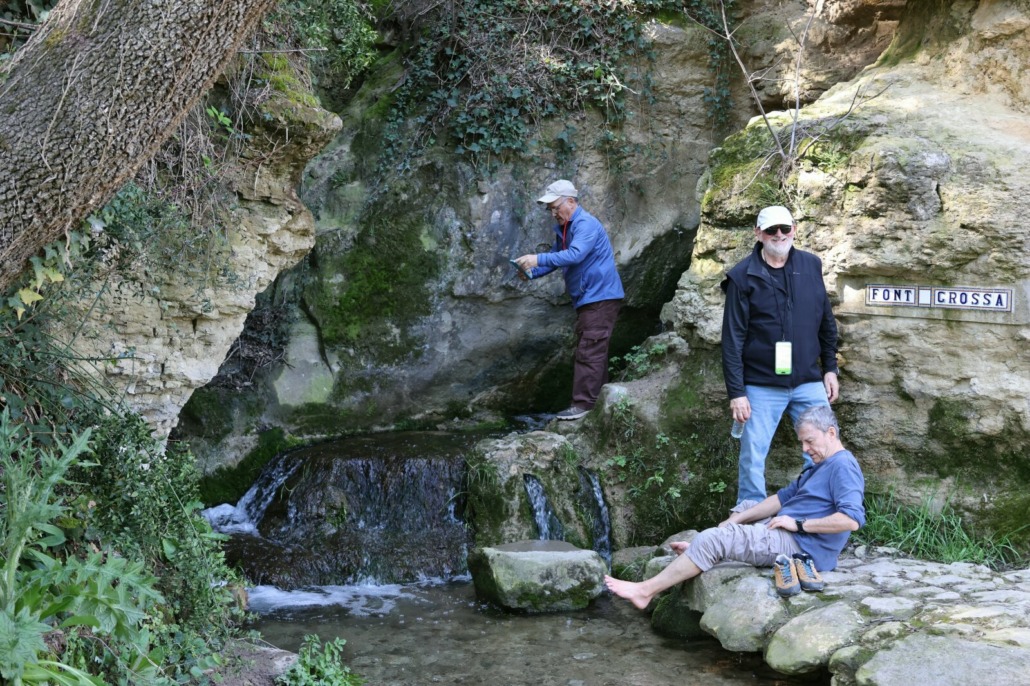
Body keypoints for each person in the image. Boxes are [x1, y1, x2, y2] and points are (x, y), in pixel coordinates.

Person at [605, 405, 864, 608]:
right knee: (747, 506)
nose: (805, 449)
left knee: (713, 540)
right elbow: (780, 499)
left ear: (831, 433)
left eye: (809, 441)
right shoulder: (820, 466)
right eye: (802, 443)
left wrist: (798, 524)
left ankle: (645, 591)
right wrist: (735, 520)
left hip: (801, 546)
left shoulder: (843, 466)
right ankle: (704, 548)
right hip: (787, 530)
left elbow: (851, 520)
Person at [722, 205, 840, 504]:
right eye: (771, 230)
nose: (779, 235)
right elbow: (732, 339)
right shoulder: (742, 276)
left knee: (824, 445)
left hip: (808, 380)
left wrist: (830, 367)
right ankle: (750, 514)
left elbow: (826, 320)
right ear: (758, 233)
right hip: (761, 384)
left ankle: (815, 507)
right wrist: (737, 392)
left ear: (794, 230)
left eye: (785, 228)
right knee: (753, 453)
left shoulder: (811, 265)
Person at [514, 180, 624, 421]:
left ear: (571, 202)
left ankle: (583, 405)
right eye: (550, 209)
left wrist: (536, 259)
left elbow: (575, 255)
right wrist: (531, 271)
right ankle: (595, 403)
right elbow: (556, 257)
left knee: (589, 351)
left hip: (599, 297)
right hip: (593, 298)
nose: (553, 213)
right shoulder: (566, 228)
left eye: (555, 207)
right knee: (594, 349)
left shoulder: (585, 224)